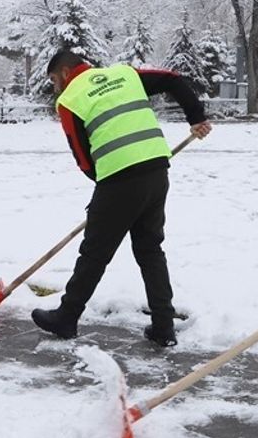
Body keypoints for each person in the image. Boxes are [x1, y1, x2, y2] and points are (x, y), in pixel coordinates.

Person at [31, 49, 212, 347]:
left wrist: (105, 193)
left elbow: (83, 157)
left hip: (119, 178)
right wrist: (196, 117)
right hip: (156, 169)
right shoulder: (124, 74)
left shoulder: (70, 98)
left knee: (94, 253)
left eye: (53, 80)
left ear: (65, 73)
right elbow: (174, 80)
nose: (55, 87)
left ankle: (66, 317)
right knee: (150, 249)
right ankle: (163, 326)